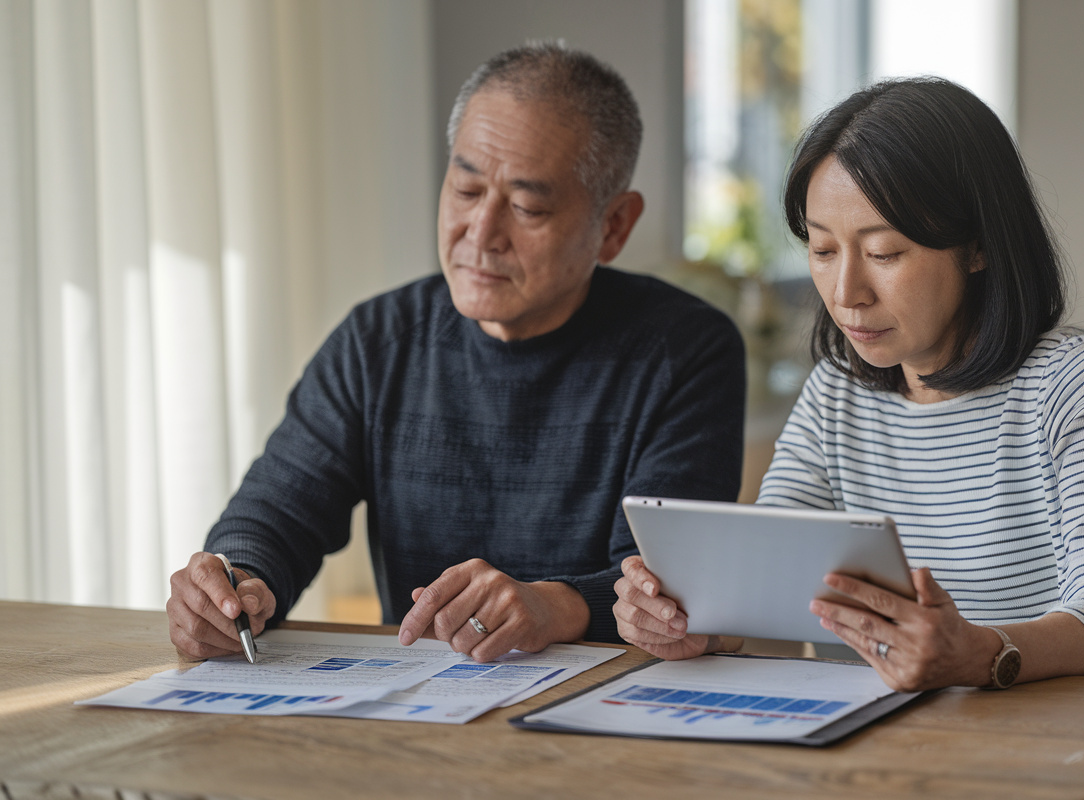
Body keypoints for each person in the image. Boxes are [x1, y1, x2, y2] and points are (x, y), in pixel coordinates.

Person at [166, 43, 745, 665]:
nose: (481, 231)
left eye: (527, 207)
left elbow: (665, 586)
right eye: (466, 189)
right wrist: (233, 584)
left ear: (614, 226)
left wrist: (552, 605)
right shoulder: (377, 342)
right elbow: (277, 511)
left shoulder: (683, 351)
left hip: (614, 709)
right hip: (422, 710)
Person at [613, 77, 1084, 691]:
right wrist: (698, 620)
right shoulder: (836, 394)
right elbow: (769, 583)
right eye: (824, 250)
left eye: (883, 252)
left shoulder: (1081, 384)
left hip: (1079, 757)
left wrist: (979, 654)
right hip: (899, 757)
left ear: (979, 246)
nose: (845, 293)